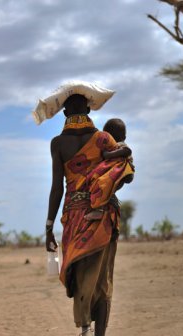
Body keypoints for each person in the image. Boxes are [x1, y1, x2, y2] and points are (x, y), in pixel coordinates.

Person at [44, 93, 134, 336]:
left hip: (73, 218)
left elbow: (56, 188)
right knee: (103, 279)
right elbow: (126, 173)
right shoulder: (104, 139)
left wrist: (49, 227)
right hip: (103, 216)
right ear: (89, 110)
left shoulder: (57, 144)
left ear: (64, 114)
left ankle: (84, 326)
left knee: (81, 275)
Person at [84, 118, 134, 221]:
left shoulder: (119, 145)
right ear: (124, 136)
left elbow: (127, 151)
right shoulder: (114, 146)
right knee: (106, 189)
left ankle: (99, 210)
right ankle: (102, 205)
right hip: (121, 173)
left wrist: (109, 155)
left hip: (123, 172)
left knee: (102, 185)